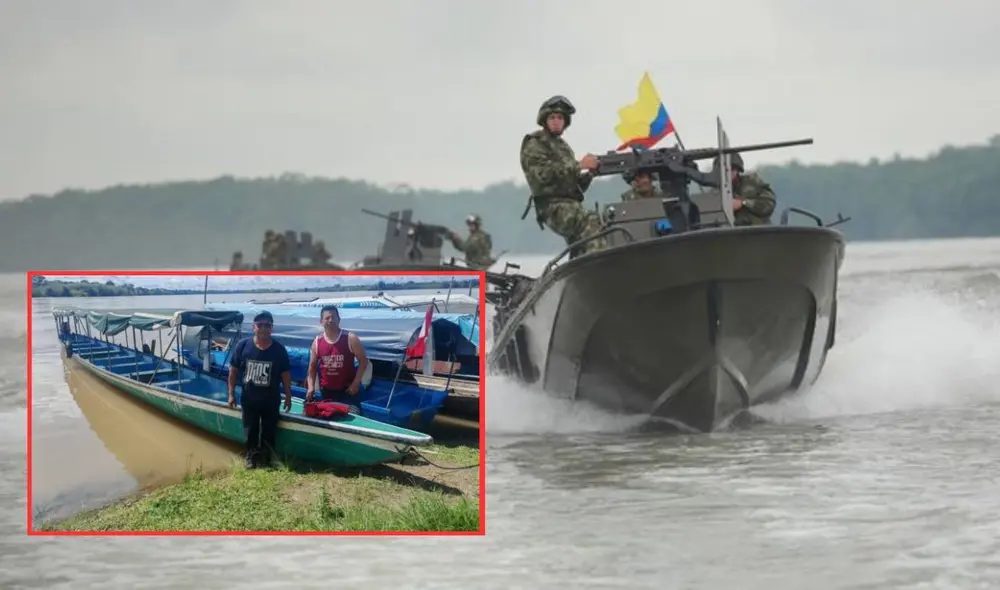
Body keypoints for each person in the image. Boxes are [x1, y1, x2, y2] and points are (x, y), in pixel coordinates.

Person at [519, 95, 607, 258]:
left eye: (560, 118)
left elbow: (574, 187)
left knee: (602, 225)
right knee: (589, 220)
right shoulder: (535, 143)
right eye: (552, 117)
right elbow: (543, 175)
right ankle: (598, 263)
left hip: (571, 205)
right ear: (544, 120)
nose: (556, 121)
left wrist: (590, 174)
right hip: (552, 206)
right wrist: (579, 165)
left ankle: (583, 264)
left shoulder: (563, 147)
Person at [227, 311, 292, 468]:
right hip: (249, 398)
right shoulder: (243, 346)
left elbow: (285, 375)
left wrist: (288, 396)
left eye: (267, 325)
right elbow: (233, 371)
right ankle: (251, 458)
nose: (263, 328)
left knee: (269, 431)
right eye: (260, 325)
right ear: (253, 327)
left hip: (271, 399)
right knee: (250, 430)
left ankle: (266, 459)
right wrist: (231, 394)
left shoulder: (279, 350)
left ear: (271, 328)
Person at [305, 305, 369, 414]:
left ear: (339, 320)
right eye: (327, 318)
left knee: (353, 417)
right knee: (328, 418)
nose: (330, 320)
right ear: (321, 321)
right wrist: (311, 388)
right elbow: (312, 367)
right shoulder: (317, 342)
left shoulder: (350, 338)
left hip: (347, 391)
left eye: (333, 317)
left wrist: (355, 384)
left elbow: (363, 361)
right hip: (327, 392)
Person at [714, 152, 777, 226]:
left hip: (756, 230)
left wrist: (743, 203)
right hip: (727, 231)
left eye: (732, 169)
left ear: (738, 170)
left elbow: (768, 206)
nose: (727, 172)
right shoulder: (715, 192)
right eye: (723, 170)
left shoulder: (753, 182)